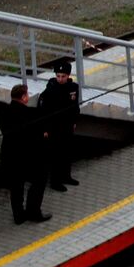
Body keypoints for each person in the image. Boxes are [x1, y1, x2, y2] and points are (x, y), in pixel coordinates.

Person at [0, 84, 50, 224]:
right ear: (23, 97)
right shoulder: (29, 114)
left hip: (9, 155)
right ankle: (34, 212)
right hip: (27, 157)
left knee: (16, 186)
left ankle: (18, 215)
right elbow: (34, 136)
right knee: (39, 180)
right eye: (27, 95)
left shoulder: (3, 112)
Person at [38, 60, 81, 191]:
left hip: (67, 125)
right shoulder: (51, 89)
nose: (60, 79)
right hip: (54, 127)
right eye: (58, 76)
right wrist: (45, 128)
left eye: (63, 76)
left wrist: (74, 121)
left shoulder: (73, 87)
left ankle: (66, 176)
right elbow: (43, 110)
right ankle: (55, 181)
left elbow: (75, 106)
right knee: (56, 155)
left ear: (68, 76)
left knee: (67, 152)